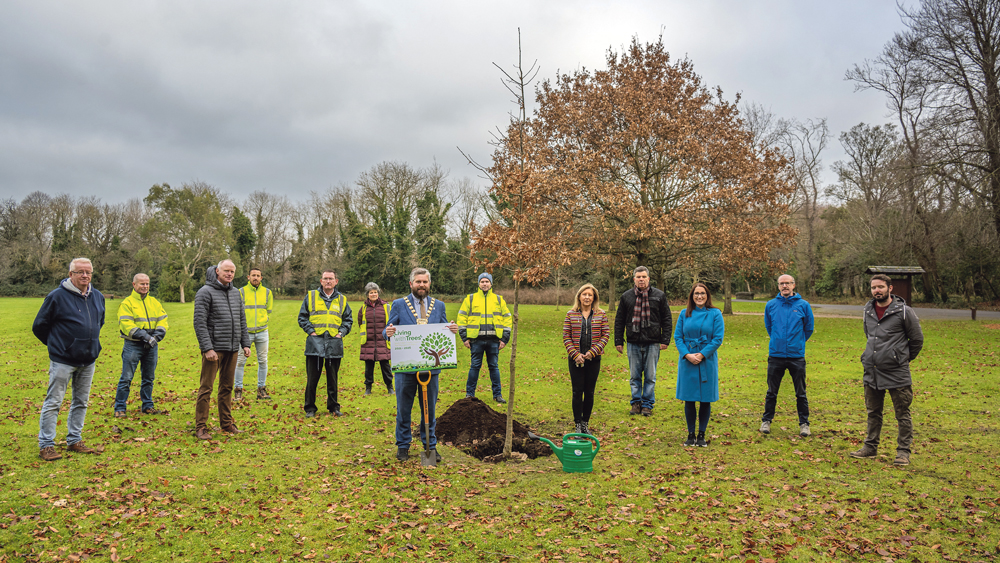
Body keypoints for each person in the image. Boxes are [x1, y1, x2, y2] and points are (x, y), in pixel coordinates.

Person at [32, 258, 106, 461]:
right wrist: (59, 345)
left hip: (88, 359)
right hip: (63, 360)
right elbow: (39, 325)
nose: (85, 275)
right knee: (54, 402)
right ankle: (46, 445)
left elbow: (100, 322)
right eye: (80, 272)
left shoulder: (98, 297)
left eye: (88, 272)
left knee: (81, 402)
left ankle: (74, 440)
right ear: (70, 273)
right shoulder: (56, 297)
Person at [385, 267, 459, 462]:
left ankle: (430, 448)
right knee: (403, 409)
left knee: (430, 410)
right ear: (411, 284)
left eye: (425, 282)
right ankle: (403, 446)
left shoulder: (439, 305)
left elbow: (443, 328)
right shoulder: (399, 305)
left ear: (429, 284)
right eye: (418, 282)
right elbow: (387, 329)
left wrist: (451, 329)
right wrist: (389, 332)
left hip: (430, 369)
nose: (421, 285)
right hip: (405, 368)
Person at [850, 274, 924, 466]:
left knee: (902, 413)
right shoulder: (868, 310)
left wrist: (901, 358)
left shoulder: (905, 312)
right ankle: (870, 447)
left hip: (897, 372)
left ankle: (903, 452)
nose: (877, 291)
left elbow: (916, 341)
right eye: (874, 287)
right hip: (872, 371)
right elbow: (870, 336)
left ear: (890, 289)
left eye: (881, 287)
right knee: (873, 412)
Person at [193, 260, 251, 440]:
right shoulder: (205, 292)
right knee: (206, 388)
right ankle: (200, 427)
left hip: (232, 348)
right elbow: (199, 323)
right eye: (226, 271)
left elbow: (241, 319)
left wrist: (245, 343)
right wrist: (207, 348)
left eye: (232, 271)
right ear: (217, 271)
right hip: (214, 350)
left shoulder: (235, 293)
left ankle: (226, 423)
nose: (230, 274)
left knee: (227, 387)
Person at [759, 274, 815, 437]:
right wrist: (778, 341)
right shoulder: (771, 305)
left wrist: (797, 342)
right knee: (771, 392)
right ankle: (766, 421)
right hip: (776, 355)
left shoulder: (804, 305)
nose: (785, 286)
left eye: (788, 283)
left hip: (796, 356)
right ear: (778, 286)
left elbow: (808, 328)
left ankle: (804, 423)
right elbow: (769, 327)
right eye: (782, 284)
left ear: (793, 285)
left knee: (801, 393)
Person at [614, 266, 672, 416]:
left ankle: (647, 404)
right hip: (633, 341)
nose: (641, 279)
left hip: (653, 342)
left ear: (648, 279)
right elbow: (619, 319)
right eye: (638, 277)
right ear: (634, 279)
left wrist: (665, 339)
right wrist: (618, 340)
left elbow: (666, 318)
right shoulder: (626, 297)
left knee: (650, 376)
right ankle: (636, 403)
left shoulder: (659, 296)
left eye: (644, 277)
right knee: (634, 376)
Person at [674, 283, 724, 448]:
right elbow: (678, 337)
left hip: (706, 360)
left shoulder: (715, 314)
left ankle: (701, 434)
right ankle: (690, 434)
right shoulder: (684, 313)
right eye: (696, 293)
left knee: (705, 399)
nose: (699, 296)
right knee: (689, 398)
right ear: (692, 296)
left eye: (702, 293)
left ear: (707, 295)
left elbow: (717, 338)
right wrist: (687, 355)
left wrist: (702, 354)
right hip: (688, 359)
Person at [298, 270, 353, 417]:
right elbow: (302, 317)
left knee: (332, 377)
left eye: (331, 278)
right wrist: (311, 331)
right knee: (312, 378)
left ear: (336, 281)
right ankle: (310, 408)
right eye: (325, 279)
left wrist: (341, 333)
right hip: (315, 342)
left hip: (334, 342)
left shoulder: (342, 299)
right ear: (321, 281)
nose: (328, 281)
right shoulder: (311, 296)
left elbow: (348, 319)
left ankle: (334, 407)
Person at [113, 273, 169, 418]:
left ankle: (147, 405)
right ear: (134, 285)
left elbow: (163, 320)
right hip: (134, 344)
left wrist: (156, 337)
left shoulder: (154, 302)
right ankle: (120, 407)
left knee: (149, 377)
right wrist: (145, 336)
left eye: (147, 284)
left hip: (152, 345)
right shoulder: (127, 303)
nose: (145, 286)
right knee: (126, 377)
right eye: (142, 284)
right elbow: (126, 324)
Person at [562, 283, 610, 435]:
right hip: (575, 359)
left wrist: (593, 352)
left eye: (590, 295)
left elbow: (606, 335)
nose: (587, 297)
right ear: (579, 297)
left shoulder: (601, 314)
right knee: (577, 392)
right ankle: (577, 423)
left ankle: (585, 423)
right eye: (584, 294)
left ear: (594, 297)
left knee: (589, 392)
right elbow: (566, 336)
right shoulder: (571, 314)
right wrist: (576, 355)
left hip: (593, 360)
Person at [458, 272, 512, 403]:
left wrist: (504, 339)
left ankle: (497, 395)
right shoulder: (470, 299)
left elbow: (507, 318)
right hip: (476, 340)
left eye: (487, 281)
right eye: (482, 281)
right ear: (479, 284)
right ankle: (469, 395)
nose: (484, 284)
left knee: (494, 366)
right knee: (475, 366)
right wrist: (464, 338)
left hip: (494, 340)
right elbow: (462, 318)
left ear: (491, 283)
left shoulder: (499, 299)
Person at [234, 267, 273, 401]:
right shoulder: (241, 292)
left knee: (263, 361)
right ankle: (238, 390)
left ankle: (261, 389)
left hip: (262, 332)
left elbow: (268, 310)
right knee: (240, 362)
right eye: (253, 275)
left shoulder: (268, 293)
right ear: (248, 277)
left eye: (258, 275)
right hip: (245, 333)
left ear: (261, 278)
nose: (255, 277)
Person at [358, 282, 392, 395]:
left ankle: (390, 387)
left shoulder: (386, 306)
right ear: (367, 294)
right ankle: (368, 388)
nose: (373, 294)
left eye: (375, 292)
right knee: (369, 368)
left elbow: (392, 322)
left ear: (378, 293)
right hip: (368, 342)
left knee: (385, 366)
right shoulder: (363, 308)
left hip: (383, 341)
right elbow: (360, 323)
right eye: (371, 292)